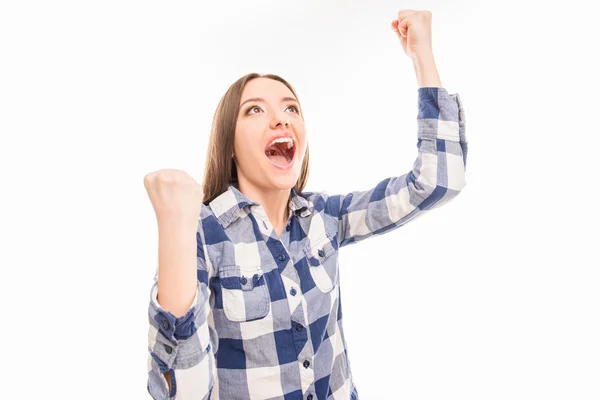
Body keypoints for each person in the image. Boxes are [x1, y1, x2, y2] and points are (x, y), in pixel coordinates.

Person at [143, 9, 468, 400]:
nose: (281, 119)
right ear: (228, 144)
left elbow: (436, 182)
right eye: (255, 110)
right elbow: (183, 394)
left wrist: (422, 55)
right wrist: (174, 231)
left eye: (291, 108)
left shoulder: (325, 218)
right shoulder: (203, 235)